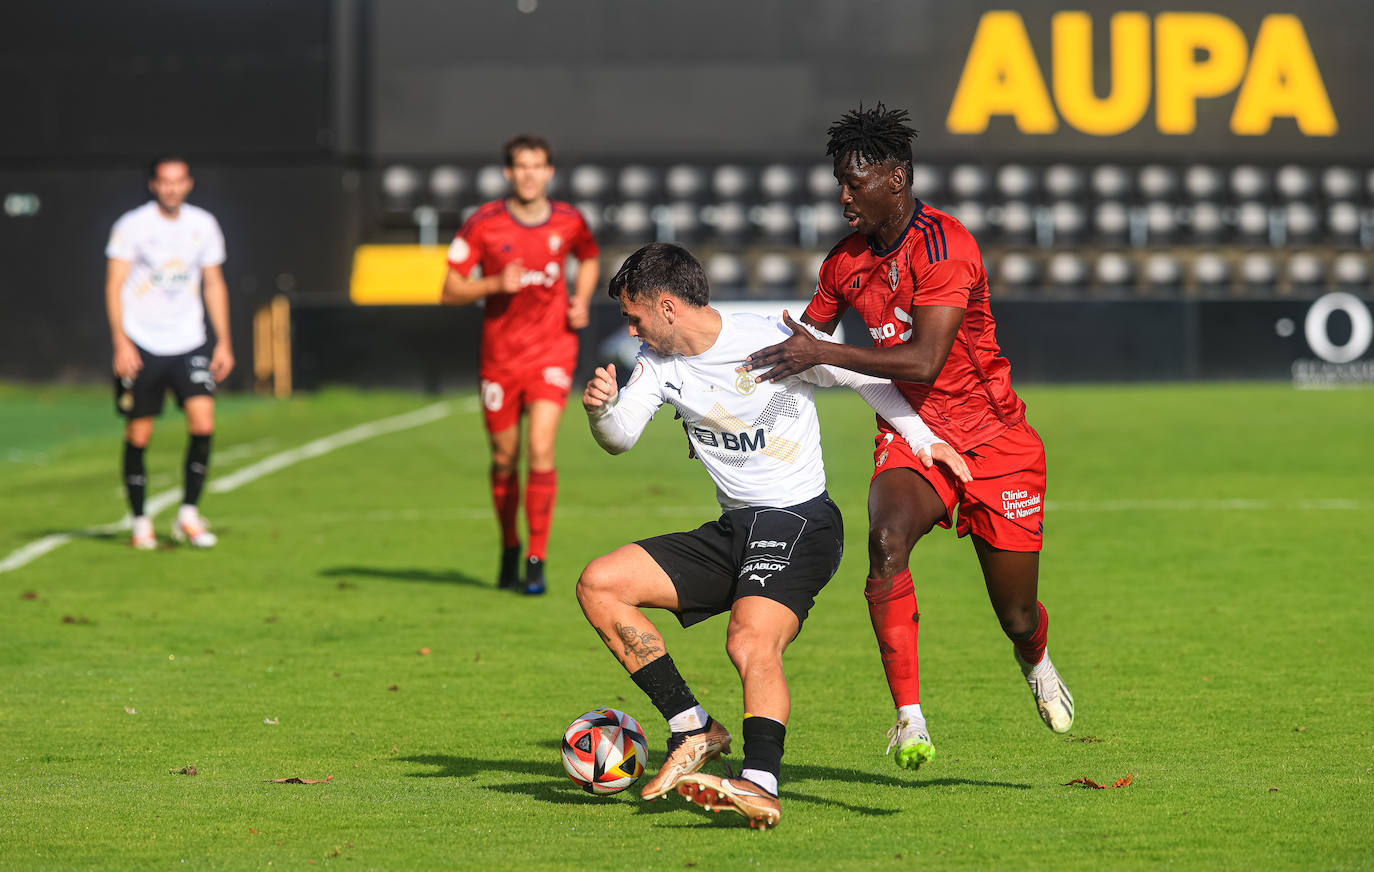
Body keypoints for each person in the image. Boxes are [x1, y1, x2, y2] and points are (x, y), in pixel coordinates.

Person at [577, 243, 969, 828]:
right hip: (736, 528)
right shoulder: (658, 365)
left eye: (634, 317)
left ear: (666, 307)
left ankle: (760, 782)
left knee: (749, 640)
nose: (630, 330)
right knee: (600, 584)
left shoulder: (772, 338)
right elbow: (620, 436)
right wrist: (600, 412)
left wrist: (921, 439)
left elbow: (867, 380)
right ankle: (692, 726)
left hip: (801, 520)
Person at [745, 103, 1076, 771]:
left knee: (1015, 614)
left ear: (896, 179)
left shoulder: (947, 247)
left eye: (854, 182)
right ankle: (909, 719)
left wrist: (825, 356)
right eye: (838, 182)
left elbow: (923, 360)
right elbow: (800, 351)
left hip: (995, 441)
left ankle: (1035, 659)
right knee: (886, 538)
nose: (842, 197)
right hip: (911, 434)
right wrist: (727, 400)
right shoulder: (844, 263)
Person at [441, 134, 600, 595]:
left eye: (538, 166)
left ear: (549, 172)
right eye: (521, 167)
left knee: (541, 450)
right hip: (500, 359)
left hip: (552, 352)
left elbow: (589, 257)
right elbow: (449, 289)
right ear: (509, 173)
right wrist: (493, 282)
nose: (529, 174)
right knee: (505, 458)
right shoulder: (483, 224)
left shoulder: (570, 221)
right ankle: (509, 546)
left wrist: (582, 300)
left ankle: (537, 561)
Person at [106, 155, 233, 550]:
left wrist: (224, 340)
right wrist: (121, 341)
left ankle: (188, 515)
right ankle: (141, 521)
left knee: (203, 422)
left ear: (189, 184)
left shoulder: (203, 225)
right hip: (143, 343)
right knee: (140, 431)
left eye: (178, 181)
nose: (171, 188)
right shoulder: (132, 226)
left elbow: (214, 283)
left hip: (189, 341)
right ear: (153, 185)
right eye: (165, 181)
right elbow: (114, 285)